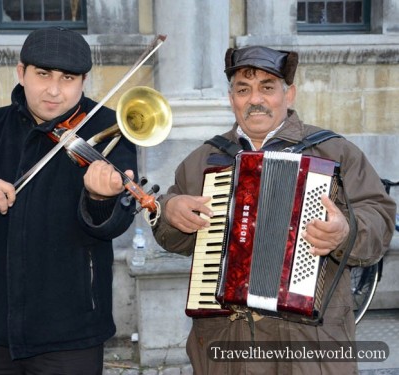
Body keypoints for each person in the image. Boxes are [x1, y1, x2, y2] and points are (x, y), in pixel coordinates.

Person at [151, 45, 396, 374]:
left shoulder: (335, 152)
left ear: (289, 94)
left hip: (310, 347)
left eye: (268, 87)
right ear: (231, 98)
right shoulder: (204, 160)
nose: (255, 99)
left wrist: (347, 231)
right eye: (243, 89)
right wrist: (169, 212)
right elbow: (174, 239)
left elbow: (379, 218)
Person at [0, 27, 138, 374]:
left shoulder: (109, 128)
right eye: (42, 74)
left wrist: (100, 198)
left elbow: (116, 223)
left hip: (71, 334)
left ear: (83, 81)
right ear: (22, 73)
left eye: (67, 78)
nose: (53, 89)